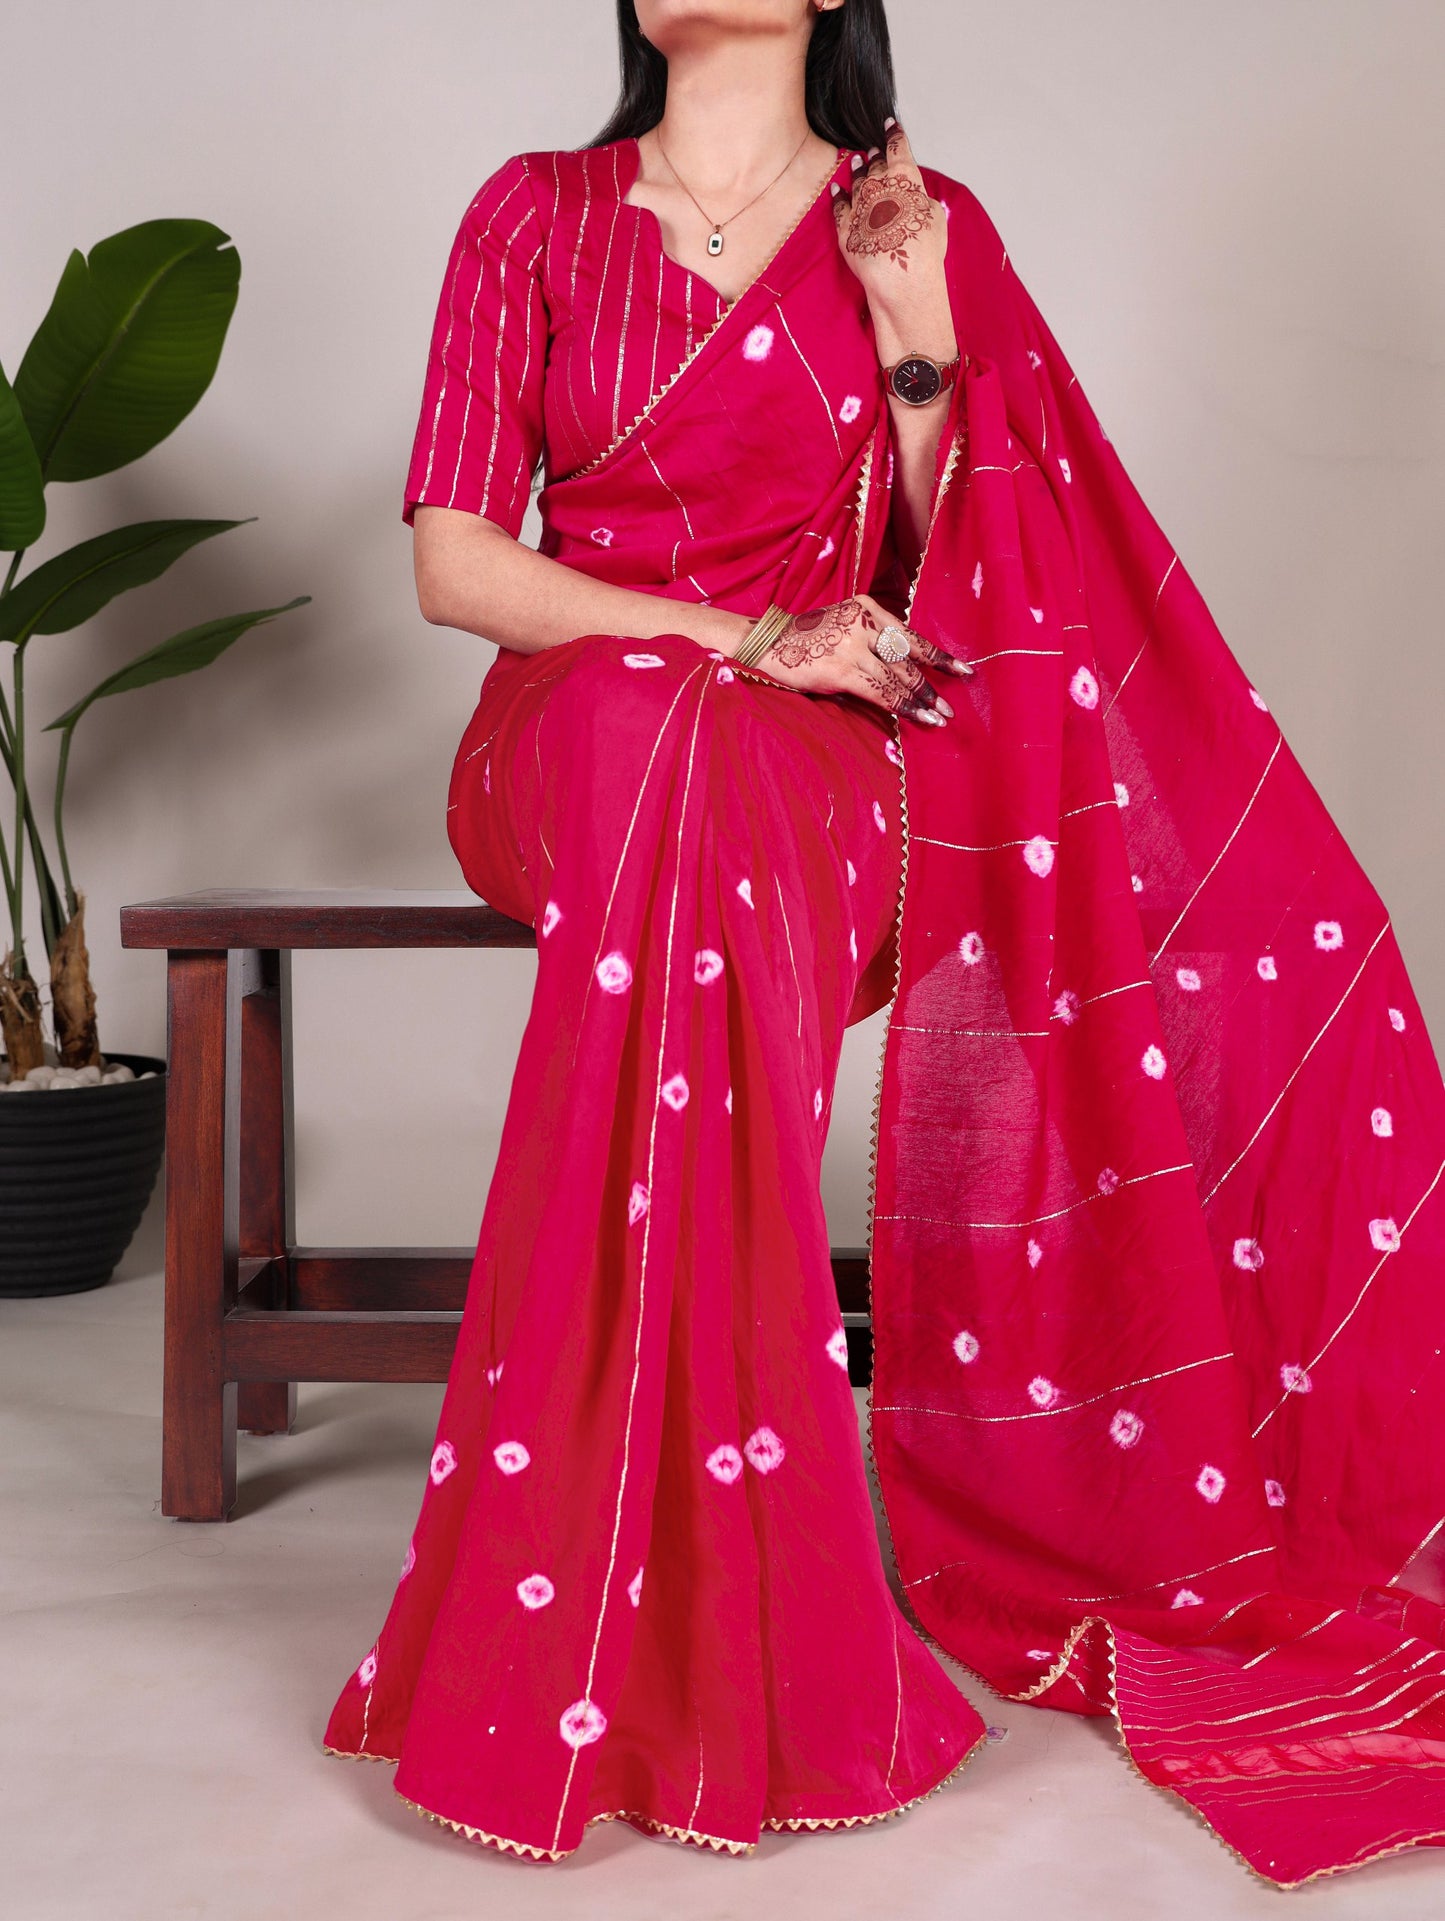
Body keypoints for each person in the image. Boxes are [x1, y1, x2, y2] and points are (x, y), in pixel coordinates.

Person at [323, 0, 1445, 1885]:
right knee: (655, 731)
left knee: (708, 786)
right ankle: (718, 1605)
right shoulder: (532, 212)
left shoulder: (916, 224)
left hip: (829, 767)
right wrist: (737, 640)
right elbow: (458, 565)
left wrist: (916, 330)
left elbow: (971, 573)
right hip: (569, 732)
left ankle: (595, 1587)